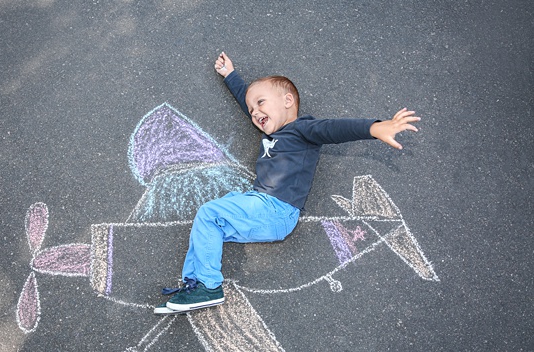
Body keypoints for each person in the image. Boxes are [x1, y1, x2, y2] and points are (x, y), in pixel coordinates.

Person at [154, 52, 420, 315]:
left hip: (275, 209)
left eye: (261, 103)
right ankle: (195, 285)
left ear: (288, 101)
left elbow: (334, 129)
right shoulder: (273, 127)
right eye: (252, 110)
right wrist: (231, 76)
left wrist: (375, 128)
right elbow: (247, 99)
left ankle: (209, 286)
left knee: (210, 214)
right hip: (264, 205)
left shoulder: (302, 130)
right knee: (210, 225)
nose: (255, 112)